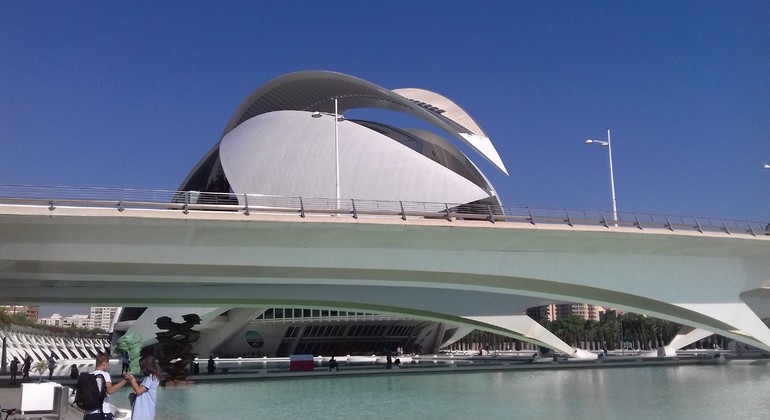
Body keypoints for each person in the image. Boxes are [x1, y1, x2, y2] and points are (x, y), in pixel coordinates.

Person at [83, 352, 128, 420]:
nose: (107, 365)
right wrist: (124, 381)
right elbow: (109, 390)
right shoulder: (104, 375)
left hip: (88, 413)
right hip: (102, 412)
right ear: (104, 363)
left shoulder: (89, 375)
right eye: (107, 364)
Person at [124, 356, 161, 420]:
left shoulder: (151, 378)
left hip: (143, 412)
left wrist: (132, 380)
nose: (140, 368)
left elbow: (139, 391)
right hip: (145, 411)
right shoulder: (152, 377)